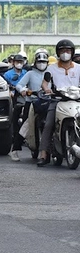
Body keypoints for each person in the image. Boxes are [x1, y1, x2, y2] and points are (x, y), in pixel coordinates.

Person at [36, 39, 80, 167]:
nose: (65, 53)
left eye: (68, 50)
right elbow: (44, 83)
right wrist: (46, 89)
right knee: (49, 124)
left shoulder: (78, 68)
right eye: (62, 51)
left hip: (76, 101)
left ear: (72, 52)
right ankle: (43, 154)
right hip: (57, 100)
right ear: (58, 52)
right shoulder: (51, 68)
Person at [16, 48, 49, 156]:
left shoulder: (50, 73)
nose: (41, 64)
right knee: (25, 126)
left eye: (44, 62)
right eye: (39, 62)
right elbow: (19, 85)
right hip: (32, 103)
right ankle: (15, 149)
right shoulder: (30, 73)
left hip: (48, 102)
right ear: (35, 62)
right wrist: (23, 90)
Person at [3, 53, 28, 161]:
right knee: (14, 117)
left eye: (21, 62)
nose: (19, 64)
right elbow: (5, 85)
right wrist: (10, 92)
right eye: (17, 62)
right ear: (13, 63)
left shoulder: (26, 73)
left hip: (26, 96)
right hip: (14, 97)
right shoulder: (7, 74)